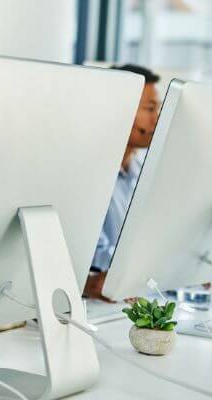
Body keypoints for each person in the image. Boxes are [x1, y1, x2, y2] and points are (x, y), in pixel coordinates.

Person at [83, 64, 160, 302]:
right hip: (93, 304)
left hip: (127, 299)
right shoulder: (87, 174)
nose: (157, 118)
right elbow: (91, 258)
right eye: (149, 108)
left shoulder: (140, 173)